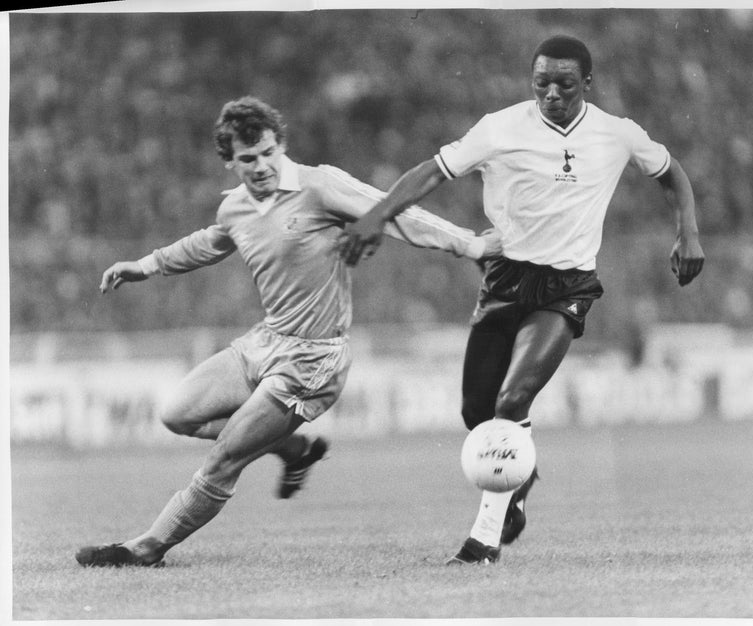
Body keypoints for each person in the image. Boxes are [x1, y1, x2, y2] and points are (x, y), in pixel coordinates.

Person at [76, 95, 501, 567]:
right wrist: (146, 264)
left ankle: (146, 548)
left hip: (313, 360)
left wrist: (470, 244)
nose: (260, 166)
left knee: (225, 459)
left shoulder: (318, 185)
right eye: (247, 159)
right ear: (229, 162)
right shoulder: (235, 208)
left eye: (267, 153)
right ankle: (292, 448)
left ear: (280, 145)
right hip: (265, 342)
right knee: (177, 414)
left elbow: (392, 211)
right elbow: (211, 243)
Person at [341, 35, 705, 565]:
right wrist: (376, 215)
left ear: (587, 83)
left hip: (568, 287)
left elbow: (671, 171)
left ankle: (482, 541)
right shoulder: (499, 128)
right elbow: (431, 172)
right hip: (505, 280)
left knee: (512, 403)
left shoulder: (616, 134)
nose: (551, 93)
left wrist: (688, 231)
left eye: (564, 83)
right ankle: (520, 475)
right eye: (541, 82)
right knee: (477, 414)